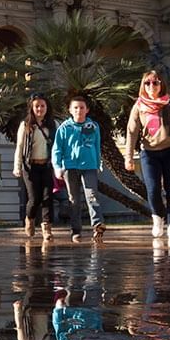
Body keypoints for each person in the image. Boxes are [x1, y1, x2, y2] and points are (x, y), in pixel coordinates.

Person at [125, 69, 170, 242]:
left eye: (155, 82)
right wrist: (128, 157)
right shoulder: (139, 106)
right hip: (149, 154)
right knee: (152, 189)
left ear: (161, 84)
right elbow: (131, 132)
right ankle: (157, 217)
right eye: (147, 83)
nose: (152, 86)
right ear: (143, 85)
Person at [51, 95, 106, 244]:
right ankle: (76, 230)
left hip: (89, 166)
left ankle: (97, 225)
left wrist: (98, 163)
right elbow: (57, 148)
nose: (79, 110)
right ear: (70, 110)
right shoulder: (64, 128)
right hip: (70, 167)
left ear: (87, 109)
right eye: (75, 107)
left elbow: (97, 145)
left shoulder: (93, 126)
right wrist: (57, 166)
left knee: (92, 196)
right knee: (74, 200)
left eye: (82, 107)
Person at [13, 93, 56, 241]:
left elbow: (56, 146)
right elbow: (19, 146)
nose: (40, 109)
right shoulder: (25, 125)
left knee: (48, 197)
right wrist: (17, 166)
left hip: (47, 165)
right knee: (34, 198)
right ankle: (29, 219)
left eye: (42, 106)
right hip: (30, 167)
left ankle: (46, 228)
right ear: (32, 107)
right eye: (37, 106)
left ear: (46, 107)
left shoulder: (52, 124)